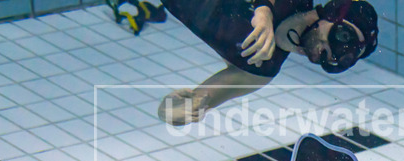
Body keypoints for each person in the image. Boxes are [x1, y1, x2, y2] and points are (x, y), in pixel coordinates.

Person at [158, 0, 379, 125]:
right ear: (330, 14)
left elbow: (194, 103)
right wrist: (264, 10)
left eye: (342, 59)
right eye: (342, 37)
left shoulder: (259, 70)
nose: (329, 51)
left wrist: (172, 112)